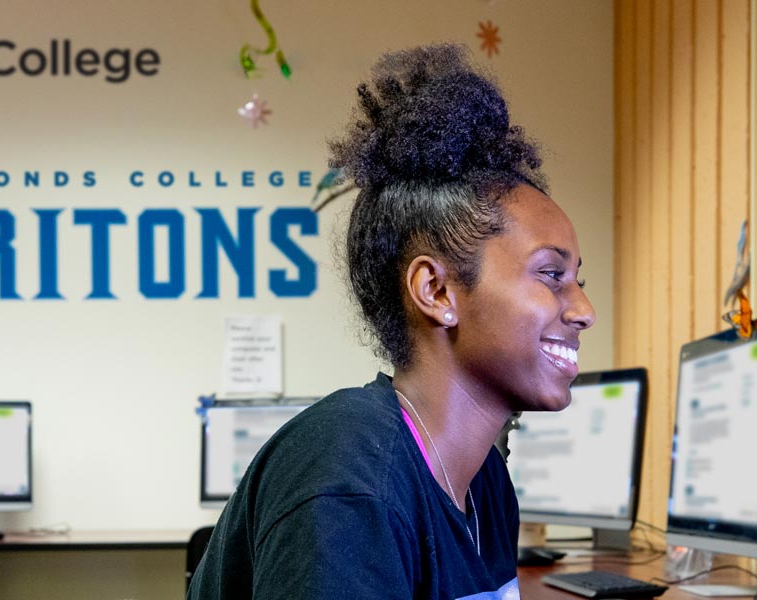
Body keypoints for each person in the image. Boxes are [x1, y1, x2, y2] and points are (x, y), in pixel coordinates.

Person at [187, 44, 596, 600]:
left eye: (579, 280)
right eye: (551, 274)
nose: (583, 310)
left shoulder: (486, 484)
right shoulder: (350, 481)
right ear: (437, 290)